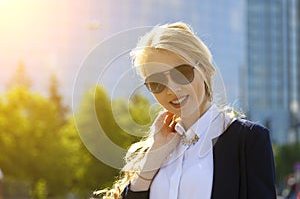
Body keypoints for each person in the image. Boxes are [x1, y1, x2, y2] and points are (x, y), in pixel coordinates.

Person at [94, 22, 276, 199]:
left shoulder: (249, 140)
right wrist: (154, 156)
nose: (172, 89)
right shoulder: (155, 147)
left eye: (181, 73)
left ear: (205, 68)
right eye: (157, 83)